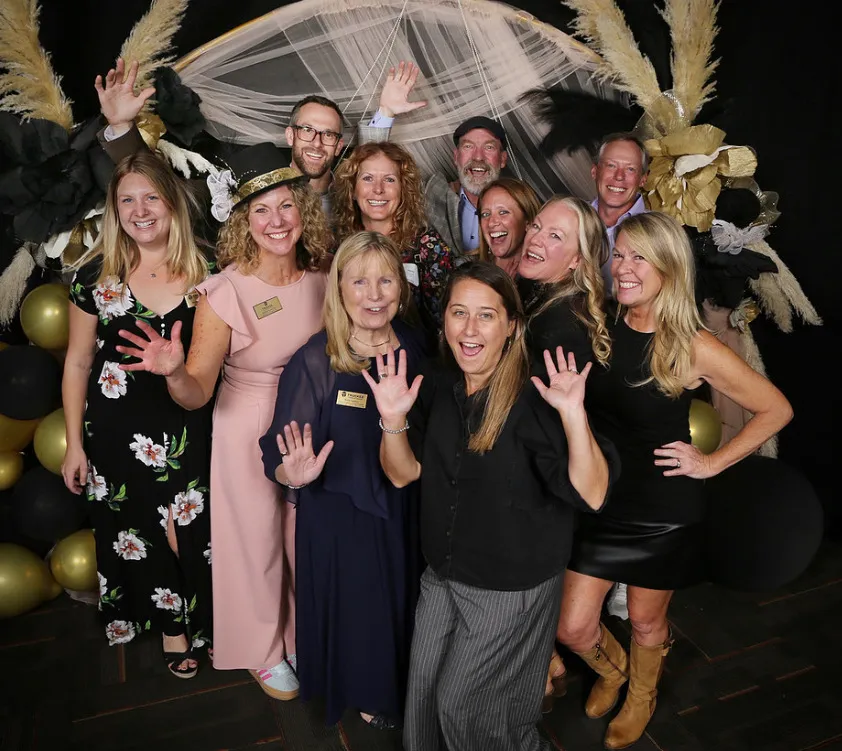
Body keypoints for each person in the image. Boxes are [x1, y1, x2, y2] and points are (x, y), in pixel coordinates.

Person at [556, 211, 793, 750]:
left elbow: (775, 409)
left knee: (644, 621)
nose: (625, 267)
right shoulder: (604, 320)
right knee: (572, 626)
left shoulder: (694, 345)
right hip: (602, 495)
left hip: (662, 506)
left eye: (640, 257)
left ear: (669, 268)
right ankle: (612, 672)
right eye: (620, 254)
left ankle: (641, 693)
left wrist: (711, 463)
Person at [365, 262, 617, 751]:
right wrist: (392, 419)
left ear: (512, 326)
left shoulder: (537, 399)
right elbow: (401, 472)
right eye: (459, 313)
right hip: (443, 572)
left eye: (486, 315)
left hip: (508, 586)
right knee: (423, 698)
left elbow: (593, 493)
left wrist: (573, 414)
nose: (470, 328)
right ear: (445, 323)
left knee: (464, 708)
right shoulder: (440, 385)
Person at [113, 143, 332, 701]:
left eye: (286, 206)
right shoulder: (225, 290)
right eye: (261, 210)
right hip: (249, 424)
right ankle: (263, 650)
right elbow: (196, 394)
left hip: (313, 422)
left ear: (302, 212)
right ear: (243, 220)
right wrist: (173, 372)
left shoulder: (325, 277)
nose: (276, 221)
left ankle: (302, 632)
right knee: (256, 540)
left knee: (303, 537)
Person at [259, 231, 424, 730]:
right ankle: (368, 695)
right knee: (359, 609)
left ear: (402, 287)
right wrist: (296, 473)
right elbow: (276, 451)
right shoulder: (317, 360)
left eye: (385, 280)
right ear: (340, 290)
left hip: (403, 509)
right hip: (337, 516)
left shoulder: (418, 350)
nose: (374, 295)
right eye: (360, 281)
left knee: (399, 603)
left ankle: (396, 684)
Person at [62, 151, 213, 677]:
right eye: (127, 199)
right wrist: (74, 446)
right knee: (139, 533)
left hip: (187, 425)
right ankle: (174, 629)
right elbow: (79, 362)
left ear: (172, 204)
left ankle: (211, 620)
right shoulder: (94, 279)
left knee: (189, 531)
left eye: (151, 197)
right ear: (114, 209)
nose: (140, 210)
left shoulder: (207, 275)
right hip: (115, 434)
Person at [515, 194, 612, 706]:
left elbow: (547, 431)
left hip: (554, 494)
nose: (535, 238)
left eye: (556, 236)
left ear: (577, 260)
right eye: (537, 227)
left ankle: (545, 684)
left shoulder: (559, 327)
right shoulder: (540, 300)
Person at [94, 58, 346, 219]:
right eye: (307, 130)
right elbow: (161, 188)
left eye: (328, 135)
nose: (316, 142)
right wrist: (121, 126)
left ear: (339, 146)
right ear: (290, 135)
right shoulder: (245, 178)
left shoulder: (353, 198)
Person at [360, 62, 508, 258]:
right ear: (456, 157)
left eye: (489, 147)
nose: (478, 157)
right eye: (468, 147)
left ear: (503, 159)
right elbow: (370, 171)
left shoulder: (519, 205)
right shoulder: (429, 193)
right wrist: (385, 112)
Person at [332, 142, 453, 339]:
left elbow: (443, 322)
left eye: (389, 180)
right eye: (368, 178)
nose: (378, 189)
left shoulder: (428, 246)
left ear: (403, 189)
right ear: (353, 189)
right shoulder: (337, 242)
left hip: (413, 356)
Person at [590, 133, 650, 293]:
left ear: (643, 179)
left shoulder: (658, 233)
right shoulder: (570, 220)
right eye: (611, 165)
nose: (619, 176)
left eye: (630, 169)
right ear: (594, 171)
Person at [476, 177, 542, 278]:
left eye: (503, 212)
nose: (491, 223)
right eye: (485, 214)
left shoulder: (542, 278)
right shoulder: (468, 269)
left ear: (528, 222)